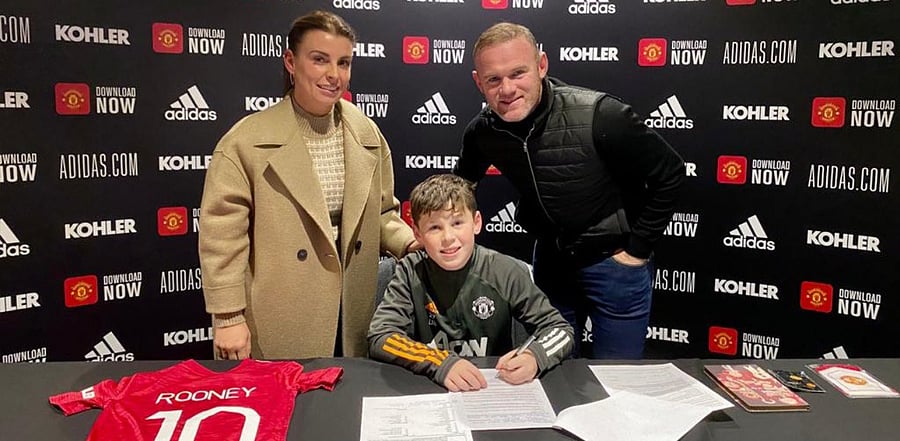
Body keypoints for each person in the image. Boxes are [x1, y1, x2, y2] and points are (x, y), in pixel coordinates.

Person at [454, 23, 684, 359]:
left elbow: (672, 173)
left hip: (615, 265)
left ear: (542, 65)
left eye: (518, 73)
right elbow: (459, 187)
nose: (507, 89)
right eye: (493, 79)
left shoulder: (601, 114)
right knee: (553, 377)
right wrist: (433, 228)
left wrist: (636, 249)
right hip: (551, 266)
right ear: (479, 82)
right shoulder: (482, 132)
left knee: (616, 383)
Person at [199, 10, 416, 360]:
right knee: (292, 409)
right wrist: (227, 317)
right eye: (319, 60)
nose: (334, 75)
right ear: (290, 61)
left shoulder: (367, 134)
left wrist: (409, 243)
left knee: (345, 403)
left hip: (354, 314)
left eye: (343, 63)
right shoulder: (245, 142)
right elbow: (221, 237)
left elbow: (383, 214)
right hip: (280, 313)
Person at [368, 174, 574, 392]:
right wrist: (439, 362)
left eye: (457, 223)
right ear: (417, 234)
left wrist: (535, 356)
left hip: (492, 388)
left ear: (476, 223)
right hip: (431, 389)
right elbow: (382, 336)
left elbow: (560, 329)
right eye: (434, 228)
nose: (448, 237)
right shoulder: (409, 271)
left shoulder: (505, 270)